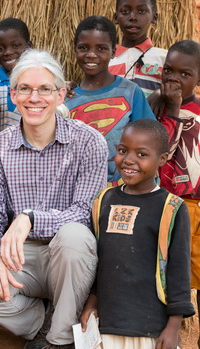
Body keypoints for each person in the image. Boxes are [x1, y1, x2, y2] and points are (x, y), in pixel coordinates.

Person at [0, 49, 108, 349]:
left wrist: (29, 218)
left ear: (61, 94)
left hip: (72, 259)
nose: (34, 98)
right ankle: (46, 322)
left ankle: (59, 341)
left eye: (45, 89)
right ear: (13, 95)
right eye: (25, 89)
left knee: (74, 237)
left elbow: (85, 213)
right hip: (22, 257)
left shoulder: (89, 142)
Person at [80, 119, 195, 349]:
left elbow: (179, 269)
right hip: (108, 323)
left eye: (142, 154)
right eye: (123, 151)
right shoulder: (103, 201)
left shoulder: (171, 208)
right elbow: (98, 262)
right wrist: (92, 302)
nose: (129, 160)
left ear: (162, 159)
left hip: (149, 325)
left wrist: (173, 326)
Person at [65, 16, 154, 183]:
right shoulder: (67, 99)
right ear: (75, 49)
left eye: (101, 48)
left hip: (123, 189)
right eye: (84, 47)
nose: (91, 54)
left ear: (114, 51)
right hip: (78, 191)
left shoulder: (129, 92)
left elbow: (150, 140)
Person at [153, 40, 200, 345]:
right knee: (164, 268)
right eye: (168, 70)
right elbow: (160, 153)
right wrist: (170, 110)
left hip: (193, 205)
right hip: (162, 204)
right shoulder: (156, 106)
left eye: (184, 74)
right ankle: (162, 330)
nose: (174, 79)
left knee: (194, 266)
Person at [108, 0, 167, 98]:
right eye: (125, 11)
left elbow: (178, 91)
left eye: (141, 11)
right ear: (116, 17)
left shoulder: (165, 59)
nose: (133, 17)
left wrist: (160, 93)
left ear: (154, 17)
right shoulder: (106, 59)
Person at [0, 18, 33, 131]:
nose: (7, 52)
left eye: (15, 46)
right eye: (0, 48)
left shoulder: (39, 83)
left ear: (29, 47)